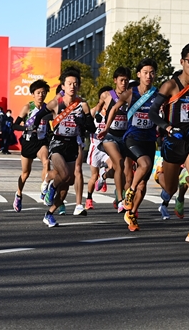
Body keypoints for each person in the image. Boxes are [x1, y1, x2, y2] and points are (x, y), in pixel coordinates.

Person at [148, 42, 189, 244]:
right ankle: (160, 174)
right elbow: (152, 112)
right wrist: (166, 127)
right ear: (182, 62)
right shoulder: (170, 85)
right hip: (172, 142)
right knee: (171, 187)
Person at [31, 68, 95, 227]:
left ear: (78, 86)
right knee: (64, 173)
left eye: (75, 84)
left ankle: (49, 213)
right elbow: (38, 116)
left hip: (73, 144)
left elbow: (92, 127)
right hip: (58, 143)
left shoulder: (83, 105)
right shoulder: (55, 103)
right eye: (69, 83)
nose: (72, 86)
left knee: (68, 183)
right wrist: (34, 130)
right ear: (63, 86)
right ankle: (51, 186)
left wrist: (82, 123)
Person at [101, 58, 160, 230]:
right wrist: (106, 128)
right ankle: (129, 192)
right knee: (145, 164)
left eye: (152, 72)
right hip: (132, 138)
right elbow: (113, 108)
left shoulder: (157, 94)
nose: (149, 76)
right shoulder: (130, 93)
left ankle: (132, 213)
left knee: (143, 183)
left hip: (149, 139)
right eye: (145, 72)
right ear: (139, 74)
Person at [95, 67, 132, 211]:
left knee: (126, 172)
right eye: (121, 80)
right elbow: (98, 107)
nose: (124, 83)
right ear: (115, 81)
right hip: (110, 135)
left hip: (126, 136)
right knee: (120, 163)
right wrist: (98, 116)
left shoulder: (131, 95)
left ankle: (105, 176)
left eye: (127, 80)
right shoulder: (107, 95)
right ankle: (121, 199)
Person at [12, 79, 51, 213]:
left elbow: (50, 126)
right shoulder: (28, 108)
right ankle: (18, 194)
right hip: (28, 142)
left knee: (46, 162)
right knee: (25, 173)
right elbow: (14, 125)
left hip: (41, 142)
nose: (41, 95)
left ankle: (44, 189)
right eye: (38, 93)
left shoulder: (47, 109)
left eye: (44, 93)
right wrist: (27, 128)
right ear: (33, 94)